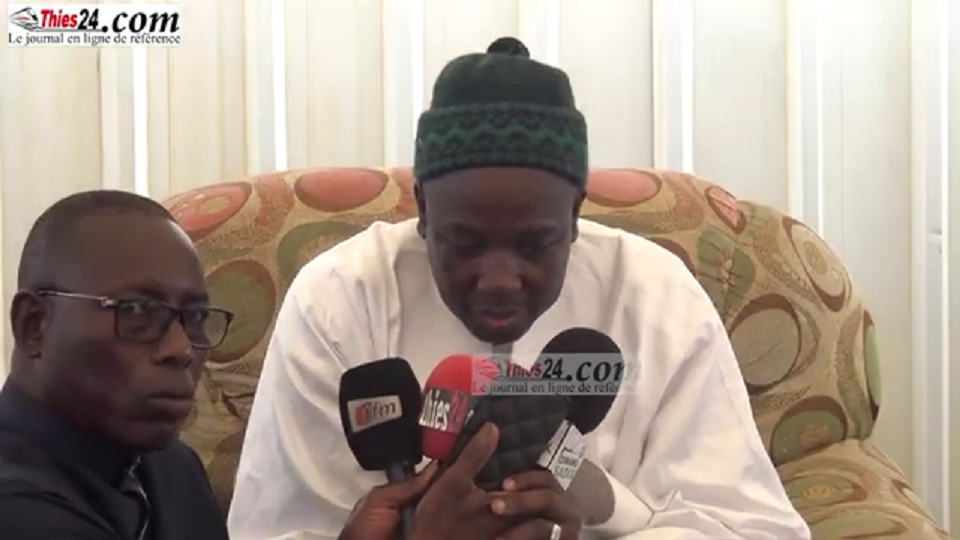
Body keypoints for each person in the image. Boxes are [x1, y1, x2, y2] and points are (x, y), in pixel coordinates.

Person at [228, 37, 812, 540]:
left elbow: (749, 526)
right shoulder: (337, 300)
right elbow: (276, 526)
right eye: (464, 243)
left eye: (535, 245)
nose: (500, 282)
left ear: (575, 215)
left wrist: (591, 521)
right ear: (424, 210)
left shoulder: (657, 297)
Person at [0, 191, 236, 539]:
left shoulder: (173, 469)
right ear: (33, 325)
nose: (181, 349)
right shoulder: (16, 511)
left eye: (196, 316)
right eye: (137, 310)